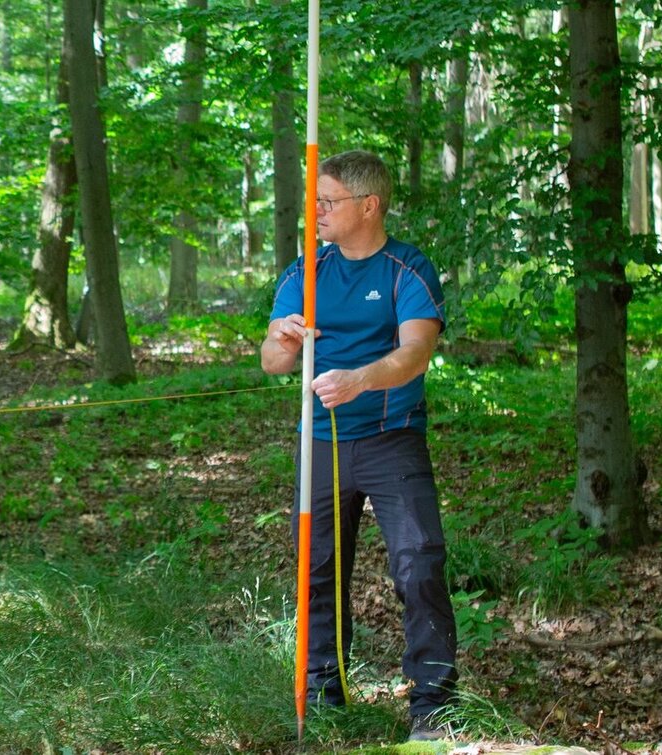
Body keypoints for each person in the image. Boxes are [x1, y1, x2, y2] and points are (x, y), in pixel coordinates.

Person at [260, 150, 457, 741]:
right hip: (320, 442)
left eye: (329, 201)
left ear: (368, 206)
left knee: (419, 563)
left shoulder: (407, 270)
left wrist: (360, 379)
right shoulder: (305, 273)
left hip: (391, 439)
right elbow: (271, 362)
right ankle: (324, 700)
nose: (315, 211)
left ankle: (433, 708)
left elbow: (416, 352)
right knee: (317, 571)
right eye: (314, 200)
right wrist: (284, 338)